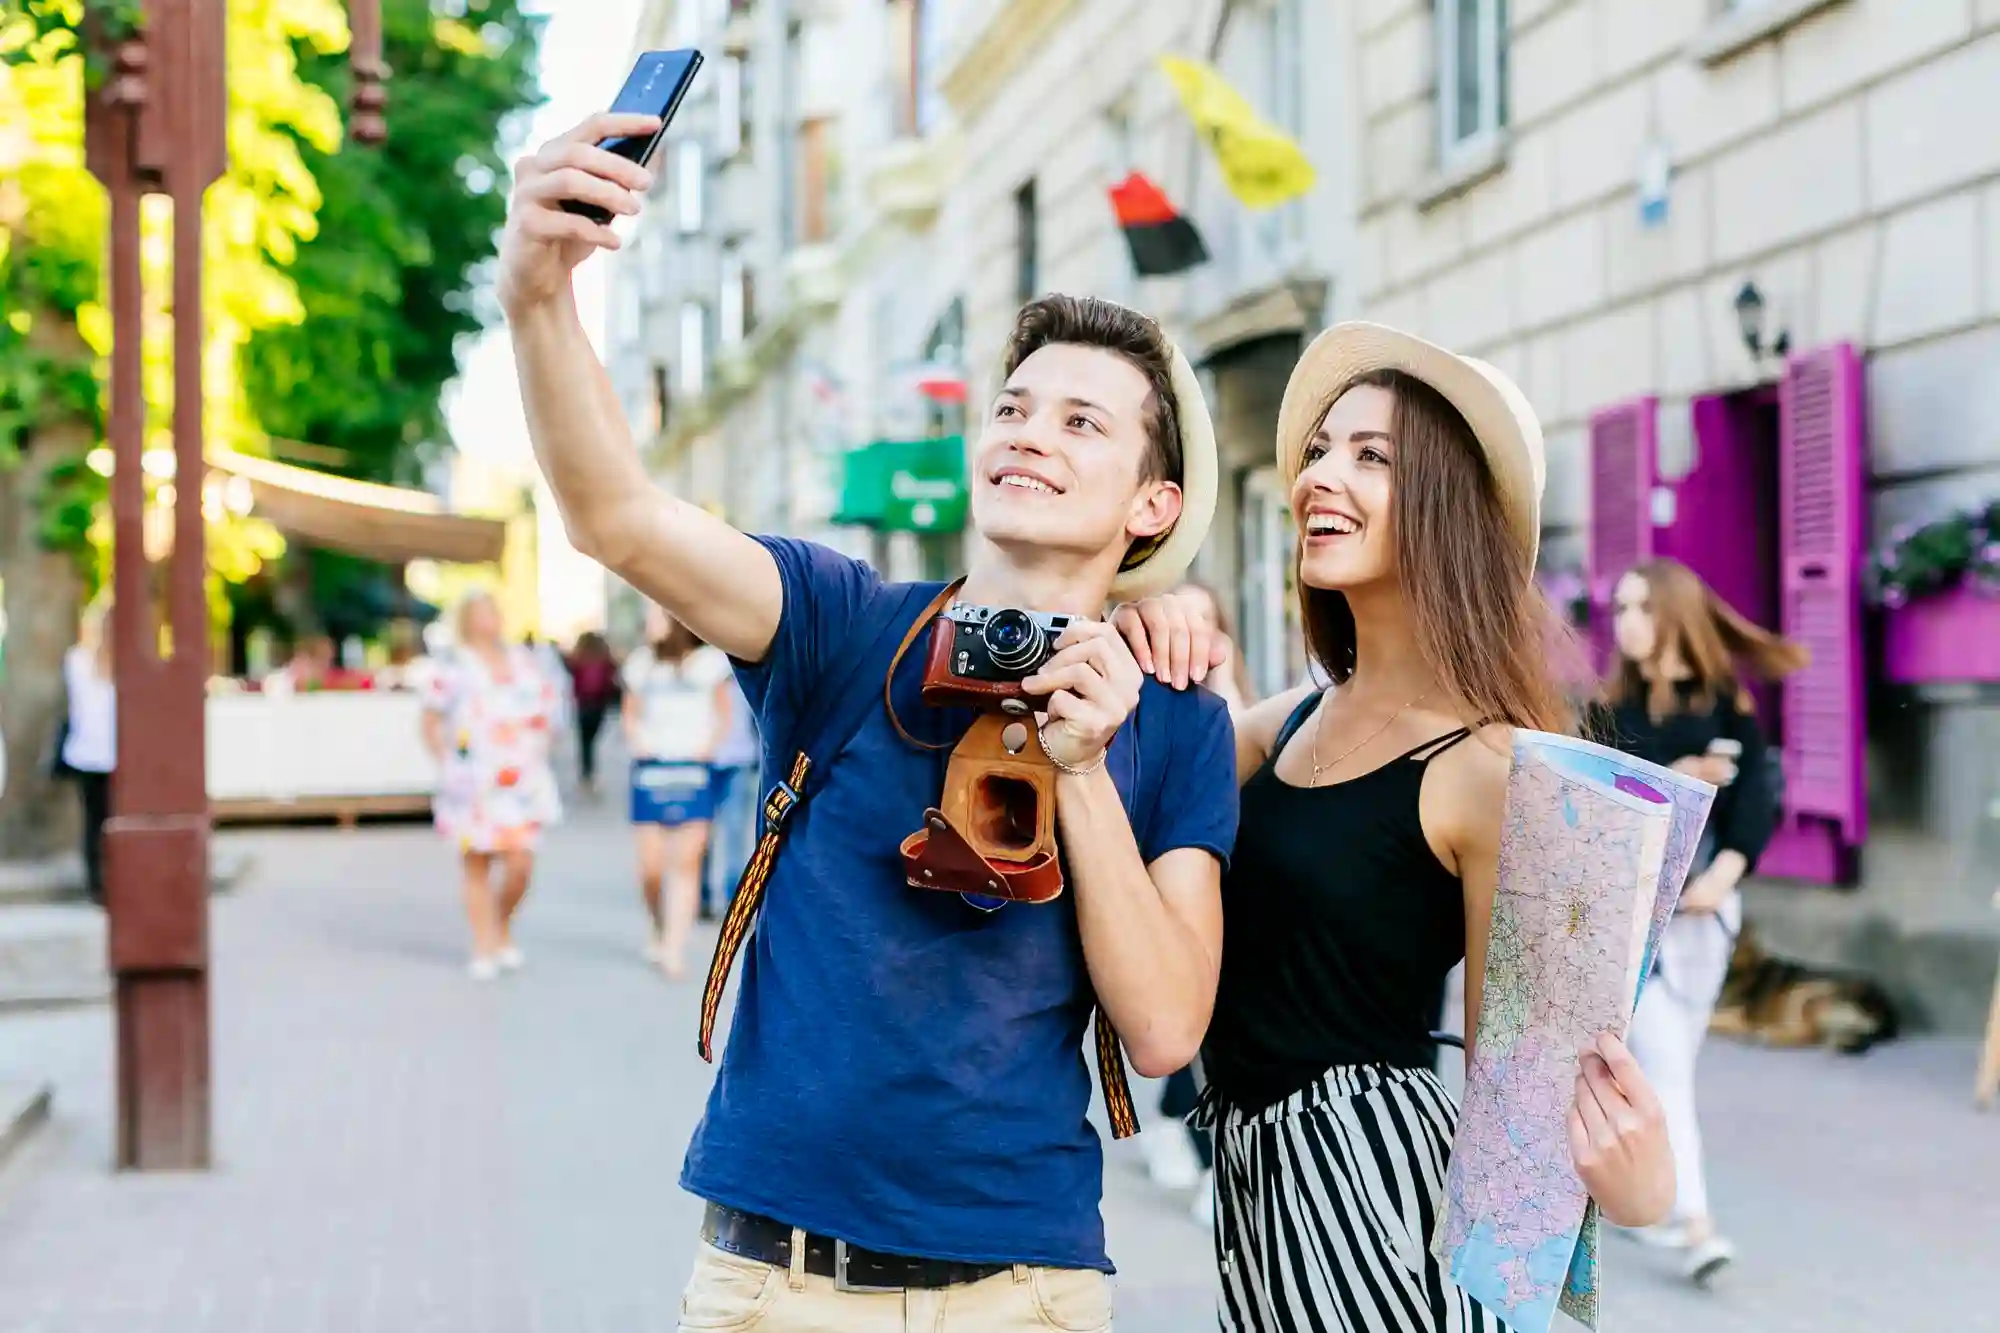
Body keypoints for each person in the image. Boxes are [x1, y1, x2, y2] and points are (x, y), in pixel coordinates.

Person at [500, 108, 1235, 1331]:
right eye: (1012, 407)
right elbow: (615, 519)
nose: (1026, 434)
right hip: (777, 1282)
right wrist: (536, 294)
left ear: (1151, 504)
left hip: (1023, 1292)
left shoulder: (1173, 716)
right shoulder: (843, 622)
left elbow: (1162, 1030)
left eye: (1078, 423)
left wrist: (1087, 771)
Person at [1117, 324, 1676, 1332]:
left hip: (1377, 1202)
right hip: (1252, 1195)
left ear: (1446, 509)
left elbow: (1539, 1084)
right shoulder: (1268, 728)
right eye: (1321, 449)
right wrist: (1138, 619)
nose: (1320, 476)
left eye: (1371, 456)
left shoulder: (1488, 767)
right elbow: (1113, 802)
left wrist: (1641, 1188)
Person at [1593, 557, 1806, 1286]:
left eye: (1639, 606)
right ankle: (1696, 1222)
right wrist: (1681, 773)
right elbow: (1598, 795)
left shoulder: (1724, 704)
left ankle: (1632, 1191)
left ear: (1673, 613)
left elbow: (1756, 798)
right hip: (1629, 916)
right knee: (1667, 1065)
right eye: (1618, 608)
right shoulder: (1610, 709)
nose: (1625, 622)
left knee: (1668, 1061)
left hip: (1706, 914)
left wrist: (1724, 874)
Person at [1145, 579, 1256, 1220]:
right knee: (1185, 1016)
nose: (1187, 633)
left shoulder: (1241, 707)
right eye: (1175, 618)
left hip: (1239, 887)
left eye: (1202, 620)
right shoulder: (1157, 707)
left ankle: (1213, 1148)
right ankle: (1175, 1123)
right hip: (1183, 883)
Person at [420, 590, 563, 982]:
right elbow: (431, 719)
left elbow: (546, 710)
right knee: (478, 863)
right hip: (474, 780)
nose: (491, 619)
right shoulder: (451, 665)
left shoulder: (523, 660)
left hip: (522, 778)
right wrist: (447, 762)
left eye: (494, 610)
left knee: (521, 863)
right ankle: (483, 942)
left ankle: (501, 927)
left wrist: (542, 746)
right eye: (482, 612)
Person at [622, 605, 733, 977]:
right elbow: (630, 713)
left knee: (686, 863)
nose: (650, 622)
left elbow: (723, 712)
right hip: (652, 769)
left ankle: (674, 946)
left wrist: (709, 745)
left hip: (694, 770)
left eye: (657, 615)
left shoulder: (709, 664)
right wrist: (638, 741)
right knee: (651, 867)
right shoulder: (641, 664)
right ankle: (658, 923)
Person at [56, 600, 117, 904]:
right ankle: (100, 883)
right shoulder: (80, 662)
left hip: (99, 754)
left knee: (97, 823)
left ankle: (101, 882)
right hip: (95, 754)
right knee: (99, 822)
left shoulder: (78, 662)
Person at [701, 669, 760, 920]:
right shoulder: (698, 666)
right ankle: (700, 896)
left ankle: (733, 901)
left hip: (739, 758)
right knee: (702, 831)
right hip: (700, 757)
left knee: (735, 830)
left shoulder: (748, 663)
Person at [566, 630, 620, 793]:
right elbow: (612, 680)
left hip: (583, 704)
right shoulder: (605, 659)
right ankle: (590, 773)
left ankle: (586, 774)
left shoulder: (578, 658)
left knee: (584, 742)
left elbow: (572, 678)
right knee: (592, 740)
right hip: (599, 705)